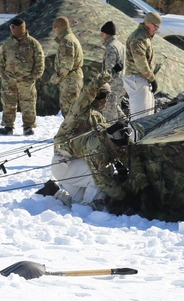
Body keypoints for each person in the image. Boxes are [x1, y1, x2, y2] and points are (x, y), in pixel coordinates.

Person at [50, 72, 130, 207]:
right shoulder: (80, 110)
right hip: (67, 162)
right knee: (100, 176)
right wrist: (104, 76)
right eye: (105, 96)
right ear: (98, 96)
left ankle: (55, 193)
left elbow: (106, 142)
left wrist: (119, 163)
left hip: (78, 162)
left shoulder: (99, 117)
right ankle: (89, 209)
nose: (107, 100)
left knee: (80, 200)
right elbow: (87, 94)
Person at [0, 17, 45, 136]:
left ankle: (28, 127)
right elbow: (1, 61)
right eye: (10, 27)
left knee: (28, 103)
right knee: (8, 103)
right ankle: (8, 126)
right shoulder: (8, 44)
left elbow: (40, 62)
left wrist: (33, 76)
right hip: (9, 80)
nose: (11, 29)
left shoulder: (33, 44)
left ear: (20, 28)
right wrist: (3, 75)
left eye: (13, 27)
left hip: (26, 80)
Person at [124, 11, 161, 119]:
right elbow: (140, 62)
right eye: (155, 26)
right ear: (148, 23)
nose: (156, 30)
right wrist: (152, 79)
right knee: (140, 116)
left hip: (141, 78)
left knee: (146, 115)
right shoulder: (139, 38)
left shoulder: (144, 36)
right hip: (137, 79)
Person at [50, 15, 83, 115]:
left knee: (69, 112)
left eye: (55, 27)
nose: (54, 30)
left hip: (70, 81)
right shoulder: (71, 38)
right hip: (72, 79)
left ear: (59, 28)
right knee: (72, 111)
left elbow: (67, 64)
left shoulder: (66, 41)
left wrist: (57, 76)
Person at [99, 20, 126, 123]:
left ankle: (113, 130)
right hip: (122, 84)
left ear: (105, 33)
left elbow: (109, 70)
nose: (101, 35)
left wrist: (103, 86)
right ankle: (126, 124)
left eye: (102, 33)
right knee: (116, 107)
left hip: (112, 86)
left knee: (109, 114)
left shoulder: (111, 47)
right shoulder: (120, 45)